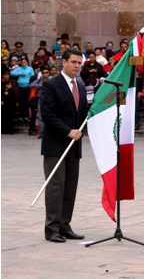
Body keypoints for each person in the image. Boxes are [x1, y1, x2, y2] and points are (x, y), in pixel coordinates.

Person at [41, 48, 88, 243]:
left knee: (70, 186)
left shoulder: (81, 85)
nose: (78, 66)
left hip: (74, 147)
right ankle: (51, 228)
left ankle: (64, 225)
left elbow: (82, 112)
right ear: (64, 63)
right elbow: (47, 114)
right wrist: (67, 131)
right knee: (56, 187)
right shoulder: (51, 85)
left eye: (80, 63)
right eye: (74, 62)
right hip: (56, 145)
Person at [10, 56, 34, 122]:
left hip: (27, 87)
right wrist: (19, 74)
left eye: (25, 62)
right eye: (22, 62)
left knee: (26, 102)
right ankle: (21, 115)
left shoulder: (30, 69)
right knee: (20, 102)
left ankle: (26, 116)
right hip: (19, 87)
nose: (23, 63)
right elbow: (11, 73)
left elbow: (33, 77)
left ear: (27, 62)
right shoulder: (19, 68)